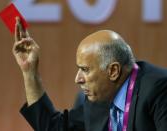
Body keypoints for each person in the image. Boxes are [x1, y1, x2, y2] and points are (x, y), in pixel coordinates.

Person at [13, 17, 167, 131]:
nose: (78, 79)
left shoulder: (159, 89)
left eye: (85, 69)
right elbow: (54, 127)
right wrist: (29, 71)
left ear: (113, 71)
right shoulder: (99, 97)